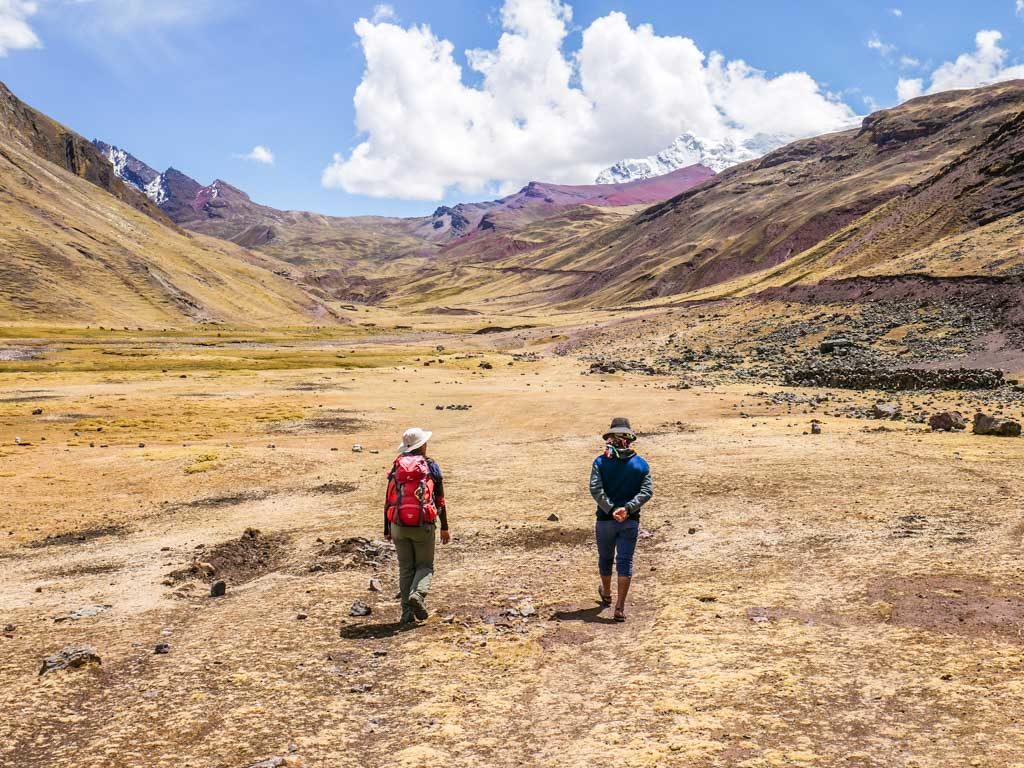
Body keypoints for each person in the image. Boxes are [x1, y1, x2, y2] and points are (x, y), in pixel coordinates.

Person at [384, 427, 451, 625]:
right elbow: (440, 499)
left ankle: (406, 613)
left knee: (405, 568)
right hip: (423, 525)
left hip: (398, 524)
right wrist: (445, 527)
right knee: (425, 566)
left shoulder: (397, 466)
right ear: (422, 446)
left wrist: (388, 528)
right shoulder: (430, 466)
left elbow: (388, 498)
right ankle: (418, 595)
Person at [590, 417, 653, 622]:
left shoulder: (600, 462)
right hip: (630, 521)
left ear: (610, 438)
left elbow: (595, 489)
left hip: (605, 520)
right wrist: (627, 509)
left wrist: (610, 508)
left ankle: (607, 593)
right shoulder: (641, 465)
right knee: (625, 562)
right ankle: (619, 607)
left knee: (605, 558)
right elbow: (646, 492)